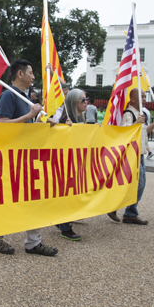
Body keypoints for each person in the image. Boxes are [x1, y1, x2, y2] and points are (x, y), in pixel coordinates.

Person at [0, 59, 58, 257]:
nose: (33, 76)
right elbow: (4, 125)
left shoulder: (24, 97)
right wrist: (29, 116)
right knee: (5, 199)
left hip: (26, 158)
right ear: (20, 74)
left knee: (34, 197)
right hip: (11, 158)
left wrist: (42, 122)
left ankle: (34, 242)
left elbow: (25, 129)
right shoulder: (8, 95)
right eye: (31, 72)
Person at [108, 88, 154, 225]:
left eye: (145, 96)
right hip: (133, 155)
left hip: (140, 153)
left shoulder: (139, 113)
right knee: (138, 184)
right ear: (133, 99)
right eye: (142, 97)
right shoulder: (129, 114)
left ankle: (129, 212)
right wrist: (136, 123)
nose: (145, 99)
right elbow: (125, 134)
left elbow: (144, 132)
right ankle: (120, 209)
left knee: (139, 184)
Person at [55, 88, 91, 241]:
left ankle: (61, 221)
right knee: (66, 197)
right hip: (66, 165)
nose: (86, 102)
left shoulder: (79, 118)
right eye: (83, 99)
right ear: (73, 101)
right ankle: (65, 227)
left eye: (86, 99)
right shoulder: (67, 119)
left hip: (76, 163)